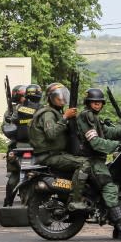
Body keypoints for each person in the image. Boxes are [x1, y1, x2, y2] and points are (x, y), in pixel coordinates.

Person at [77, 88, 121, 240]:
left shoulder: (94, 117)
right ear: (88, 103)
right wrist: (119, 144)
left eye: (99, 102)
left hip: (96, 158)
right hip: (90, 160)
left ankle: (118, 223)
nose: (97, 105)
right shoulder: (86, 116)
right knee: (109, 187)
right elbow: (95, 143)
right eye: (94, 102)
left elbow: (106, 131)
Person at [28, 82, 90, 211]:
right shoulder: (48, 114)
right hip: (49, 155)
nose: (61, 99)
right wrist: (65, 117)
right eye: (58, 97)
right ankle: (76, 200)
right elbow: (51, 134)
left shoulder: (55, 112)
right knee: (85, 164)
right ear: (51, 98)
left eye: (63, 96)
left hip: (55, 153)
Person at [3, 83, 41, 206]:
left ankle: (8, 201)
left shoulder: (16, 111)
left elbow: (8, 127)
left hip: (19, 145)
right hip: (33, 146)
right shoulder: (42, 109)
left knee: (14, 175)